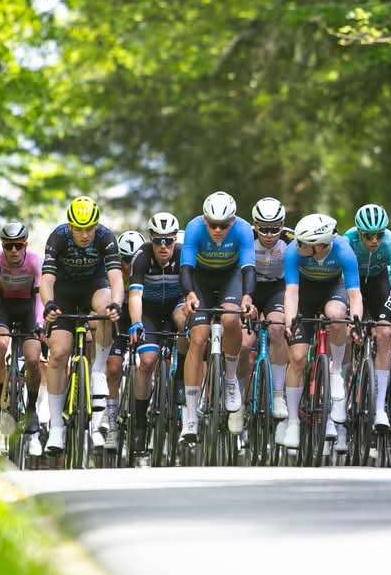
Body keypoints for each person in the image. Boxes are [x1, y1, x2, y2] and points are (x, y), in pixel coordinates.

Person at [40, 196, 123, 455]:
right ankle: (56, 427)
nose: (85, 235)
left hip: (93, 286)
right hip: (64, 291)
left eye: (90, 228)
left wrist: (117, 304)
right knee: (58, 354)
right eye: (79, 229)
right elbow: (47, 280)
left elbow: (116, 277)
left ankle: (97, 372)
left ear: (97, 225)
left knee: (106, 309)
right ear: (70, 226)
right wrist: (48, 304)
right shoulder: (58, 237)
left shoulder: (105, 237)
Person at [280, 213, 363, 449]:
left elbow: (355, 295)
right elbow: (291, 292)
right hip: (304, 293)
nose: (298, 245)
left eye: (304, 243)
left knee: (337, 316)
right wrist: (290, 321)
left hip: (332, 290)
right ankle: (293, 421)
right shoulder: (294, 252)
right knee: (297, 358)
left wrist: (355, 322)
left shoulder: (344, 251)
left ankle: (335, 371)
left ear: (321, 246)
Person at [179, 191, 256, 440]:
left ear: (233, 221)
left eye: (224, 225)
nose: (218, 230)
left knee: (231, 318)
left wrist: (247, 297)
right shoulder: (194, 228)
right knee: (198, 338)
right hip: (200, 279)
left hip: (230, 278)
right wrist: (190, 294)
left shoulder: (243, 229)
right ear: (205, 219)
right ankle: (191, 417)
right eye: (213, 224)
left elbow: (248, 268)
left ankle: (230, 379)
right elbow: (186, 268)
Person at [122, 216, 188, 453]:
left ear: (175, 239)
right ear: (151, 238)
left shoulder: (183, 254)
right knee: (148, 362)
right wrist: (136, 322)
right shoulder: (141, 256)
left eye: (168, 241)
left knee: (185, 323)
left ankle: (180, 377)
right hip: (149, 311)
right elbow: (135, 295)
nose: (163, 246)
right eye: (158, 240)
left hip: (175, 306)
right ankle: (140, 424)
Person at [343, 204, 391, 435]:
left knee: (385, 333)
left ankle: (379, 408)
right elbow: (340, 280)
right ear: (359, 232)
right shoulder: (348, 240)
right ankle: (341, 395)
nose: (374, 241)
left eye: (378, 235)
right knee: (346, 334)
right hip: (352, 285)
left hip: (379, 286)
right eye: (368, 236)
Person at [0, 221, 44, 456]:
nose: (14, 251)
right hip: (4, 307)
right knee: (0, 344)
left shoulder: (35, 262)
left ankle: (32, 411)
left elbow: (40, 296)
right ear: (3, 246)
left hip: (29, 308)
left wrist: (39, 324)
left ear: (25, 245)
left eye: (18, 245)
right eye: (9, 246)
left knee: (33, 358)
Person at [241, 197, 294, 427]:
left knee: (277, 328)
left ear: (282, 225)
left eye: (275, 228)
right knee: (244, 344)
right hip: (248, 287)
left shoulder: (292, 240)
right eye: (263, 228)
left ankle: (278, 394)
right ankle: (240, 400)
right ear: (254, 224)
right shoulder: (245, 237)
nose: (269, 234)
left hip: (276, 289)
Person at [103, 229, 147, 452]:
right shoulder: (111, 270)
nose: (130, 265)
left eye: (134, 259)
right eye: (126, 260)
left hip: (143, 318)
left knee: (148, 363)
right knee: (112, 367)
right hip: (120, 321)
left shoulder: (147, 264)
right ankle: (111, 424)